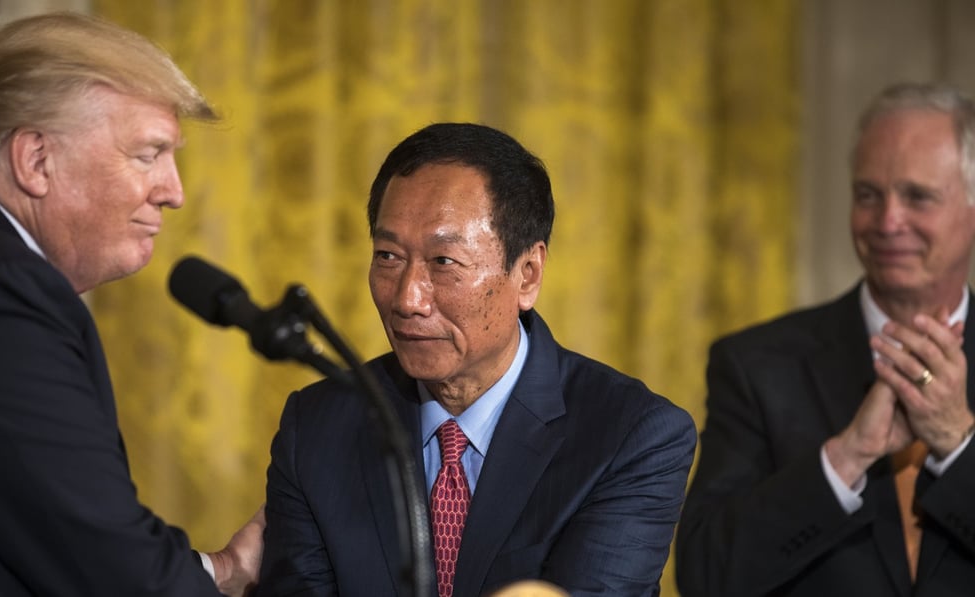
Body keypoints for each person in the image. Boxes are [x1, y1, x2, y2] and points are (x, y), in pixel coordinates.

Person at [257, 122, 697, 597]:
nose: (407, 299)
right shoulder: (318, 427)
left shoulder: (630, 437)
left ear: (527, 274)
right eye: (387, 256)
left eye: (444, 262)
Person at [0, 12, 263, 596]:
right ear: (36, 160)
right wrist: (225, 573)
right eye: (148, 154)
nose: (174, 192)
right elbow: (106, 566)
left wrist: (221, 568)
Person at [676, 82, 975, 597]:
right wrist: (845, 459)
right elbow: (705, 576)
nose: (888, 221)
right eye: (868, 195)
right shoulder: (757, 366)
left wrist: (957, 444)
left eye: (918, 197)